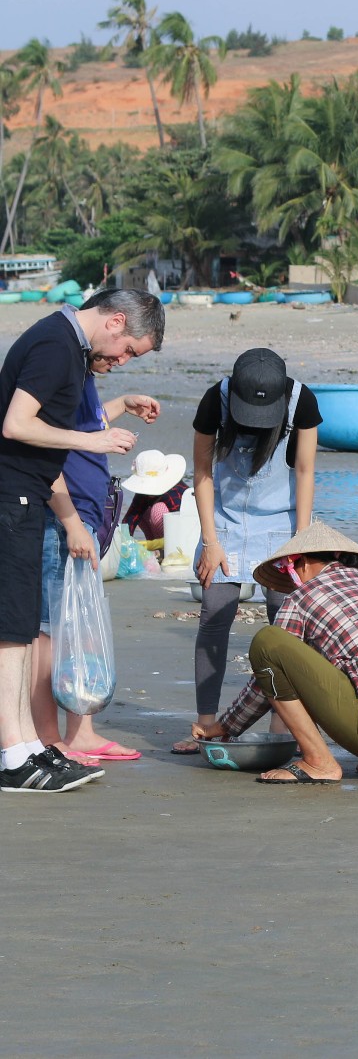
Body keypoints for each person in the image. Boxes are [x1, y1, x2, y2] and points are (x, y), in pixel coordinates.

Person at [0, 287, 161, 792]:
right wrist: (90, 441)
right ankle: (15, 754)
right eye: (130, 349)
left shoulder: (66, 347)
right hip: (15, 501)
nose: (122, 359)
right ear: (115, 322)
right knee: (15, 630)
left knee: (22, 627)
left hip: (25, 499)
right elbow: (15, 424)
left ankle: (29, 748)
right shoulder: (56, 345)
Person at [192, 523, 358, 784]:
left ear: (302, 563)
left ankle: (319, 762)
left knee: (268, 641)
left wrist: (223, 727)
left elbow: (266, 681)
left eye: (288, 568)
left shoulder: (302, 597)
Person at [176, 347, 321, 755]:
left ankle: (282, 723)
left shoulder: (301, 402)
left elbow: (306, 470)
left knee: (285, 625)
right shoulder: (214, 400)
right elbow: (202, 472)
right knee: (214, 614)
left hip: (283, 521)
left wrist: (301, 541)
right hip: (223, 518)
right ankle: (205, 723)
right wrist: (210, 541)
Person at [31, 353, 160, 765]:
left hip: (83, 517)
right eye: (126, 349)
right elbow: (42, 450)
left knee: (74, 628)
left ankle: (80, 732)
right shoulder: (60, 367)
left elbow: (80, 430)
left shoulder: (81, 375)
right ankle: (49, 737)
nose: (123, 359)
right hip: (61, 519)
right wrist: (70, 523)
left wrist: (121, 403)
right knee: (49, 632)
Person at [120, 449, 185, 544]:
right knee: (142, 511)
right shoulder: (143, 493)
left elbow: (182, 523)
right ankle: (155, 547)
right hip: (163, 534)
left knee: (157, 510)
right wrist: (124, 542)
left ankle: (163, 549)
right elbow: (131, 517)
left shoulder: (175, 492)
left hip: (181, 535)